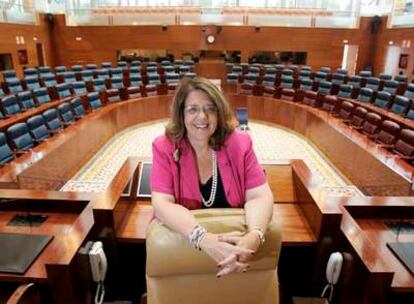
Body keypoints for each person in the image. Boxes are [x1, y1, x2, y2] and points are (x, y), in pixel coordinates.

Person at [150, 77, 274, 277]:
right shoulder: (164, 146)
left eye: (210, 109)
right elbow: (162, 204)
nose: (202, 117)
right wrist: (204, 239)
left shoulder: (240, 144)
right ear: (181, 114)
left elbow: (260, 196)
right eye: (193, 109)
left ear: (219, 113)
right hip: (185, 254)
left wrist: (255, 235)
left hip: (239, 256)